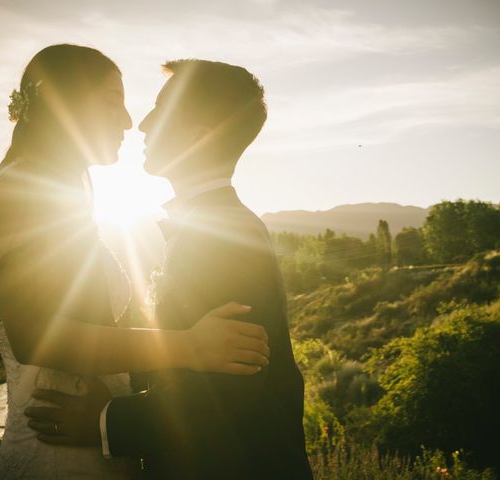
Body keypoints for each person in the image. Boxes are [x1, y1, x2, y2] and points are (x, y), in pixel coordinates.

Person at [0, 45, 270, 480]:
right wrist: (190, 345)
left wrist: (111, 416)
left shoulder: (62, 197)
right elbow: (35, 336)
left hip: (89, 447)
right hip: (58, 456)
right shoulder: (26, 191)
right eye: (112, 99)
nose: (129, 120)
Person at [28, 59, 313, 479]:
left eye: (160, 110)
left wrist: (105, 419)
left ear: (198, 138)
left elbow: (227, 394)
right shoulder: (212, 226)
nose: (142, 124)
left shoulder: (225, 238)